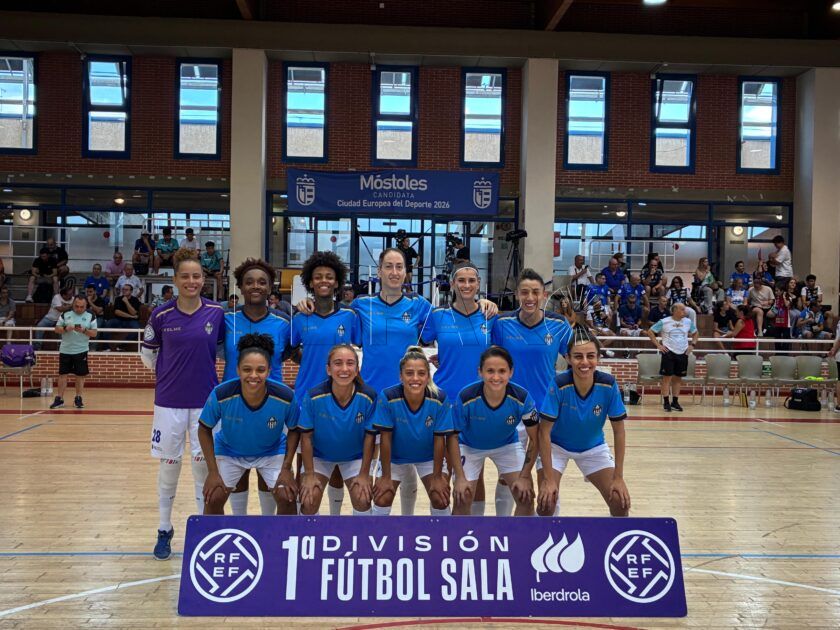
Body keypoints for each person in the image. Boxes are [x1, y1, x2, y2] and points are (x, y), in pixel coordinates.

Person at [140, 248, 225, 560]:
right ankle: (164, 528)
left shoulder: (216, 312)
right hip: (169, 403)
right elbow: (147, 355)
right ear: (175, 279)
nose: (192, 281)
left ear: (204, 279)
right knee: (169, 466)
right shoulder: (161, 315)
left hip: (205, 403)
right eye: (185, 276)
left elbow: (222, 353)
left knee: (204, 467)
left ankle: (204, 529)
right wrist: (169, 374)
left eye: (197, 276)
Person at [289, 252, 360, 515]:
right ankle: (306, 518)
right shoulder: (300, 317)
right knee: (304, 457)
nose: (324, 281)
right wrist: (311, 359)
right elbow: (290, 350)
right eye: (318, 277)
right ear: (310, 281)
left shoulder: (350, 317)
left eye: (329, 277)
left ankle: (335, 518)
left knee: (337, 458)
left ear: (337, 281)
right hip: (306, 395)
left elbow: (358, 347)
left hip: (341, 396)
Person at [221, 259, 292, 515]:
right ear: (240, 286)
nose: (256, 286)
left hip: (273, 407)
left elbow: (288, 354)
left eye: (262, 282)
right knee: (237, 469)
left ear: (270, 287)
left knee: (268, 471)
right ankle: (240, 524)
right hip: (233, 405)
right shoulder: (225, 320)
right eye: (249, 282)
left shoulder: (284, 323)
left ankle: (266, 525)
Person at [199, 334, 298, 517]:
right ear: (238, 370)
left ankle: (277, 535)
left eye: (260, 370)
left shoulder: (285, 396)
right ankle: (221, 536)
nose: (253, 375)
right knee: (212, 498)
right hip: (229, 452)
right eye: (247, 369)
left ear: (269, 371)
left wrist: (286, 468)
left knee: (288, 497)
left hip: (271, 453)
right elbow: (204, 429)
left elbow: (294, 430)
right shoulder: (221, 394)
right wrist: (212, 471)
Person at [537, 327, 630, 518]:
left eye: (591, 356)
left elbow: (619, 431)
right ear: (568, 358)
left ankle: (611, 538)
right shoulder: (559, 384)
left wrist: (619, 477)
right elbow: (543, 432)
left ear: (598, 358)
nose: (585, 362)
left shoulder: (608, 384)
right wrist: (548, 479)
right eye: (578, 356)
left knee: (619, 502)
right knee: (547, 503)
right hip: (557, 448)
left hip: (593, 448)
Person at [359, 347, 456, 516]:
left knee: (440, 497)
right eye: (409, 373)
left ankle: (441, 530)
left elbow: (440, 439)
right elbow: (385, 438)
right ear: (400, 376)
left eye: (421, 373)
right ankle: (375, 531)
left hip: (429, 457)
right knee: (382, 497)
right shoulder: (388, 396)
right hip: (395, 458)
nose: (415, 378)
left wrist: (437, 477)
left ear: (428, 376)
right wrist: (386, 476)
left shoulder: (439, 398)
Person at [450, 346, 538, 516]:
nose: (496, 377)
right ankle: (467, 534)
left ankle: (516, 534)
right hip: (469, 447)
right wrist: (460, 477)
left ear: (511, 372)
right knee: (462, 497)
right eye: (490, 371)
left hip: (507, 446)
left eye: (502, 371)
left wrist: (525, 475)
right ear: (480, 372)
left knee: (526, 497)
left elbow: (535, 438)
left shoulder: (522, 398)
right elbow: (452, 437)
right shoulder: (466, 397)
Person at [294, 344, 378, 516]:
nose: (344, 369)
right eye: (338, 363)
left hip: (355, 458)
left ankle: (362, 533)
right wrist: (309, 474)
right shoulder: (314, 396)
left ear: (357, 369)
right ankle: (309, 532)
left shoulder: (368, 396)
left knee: (362, 497)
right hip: (319, 457)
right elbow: (306, 438)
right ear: (328, 369)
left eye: (350, 363)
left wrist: (364, 474)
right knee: (309, 499)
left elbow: (370, 438)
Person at [644, 303, 698, 413]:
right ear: (675, 310)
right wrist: (658, 345)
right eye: (682, 309)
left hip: (683, 352)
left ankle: (675, 402)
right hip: (669, 352)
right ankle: (666, 402)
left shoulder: (688, 322)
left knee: (678, 378)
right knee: (667, 378)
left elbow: (696, 333)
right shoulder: (664, 321)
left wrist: (692, 345)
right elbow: (650, 332)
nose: (685, 311)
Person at [49, 294, 97, 410]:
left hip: (81, 350)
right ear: (73, 304)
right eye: (76, 306)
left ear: (86, 305)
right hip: (65, 350)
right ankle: (59, 399)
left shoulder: (91, 315)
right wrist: (66, 329)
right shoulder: (65, 314)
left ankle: (78, 398)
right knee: (62, 374)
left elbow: (94, 333)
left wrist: (84, 330)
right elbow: (57, 329)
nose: (79, 309)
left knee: (80, 375)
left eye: (82, 307)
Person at [105, 284, 142, 351]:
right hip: (119, 320)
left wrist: (126, 302)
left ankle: (121, 345)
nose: (124, 291)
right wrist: (131, 316)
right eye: (123, 289)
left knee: (137, 328)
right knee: (108, 324)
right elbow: (117, 312)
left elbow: (133, 312)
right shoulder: (118, 299)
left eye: (126, 290)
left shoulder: (135, 300)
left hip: (130, 321)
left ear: (131, 291)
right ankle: (108, 346)